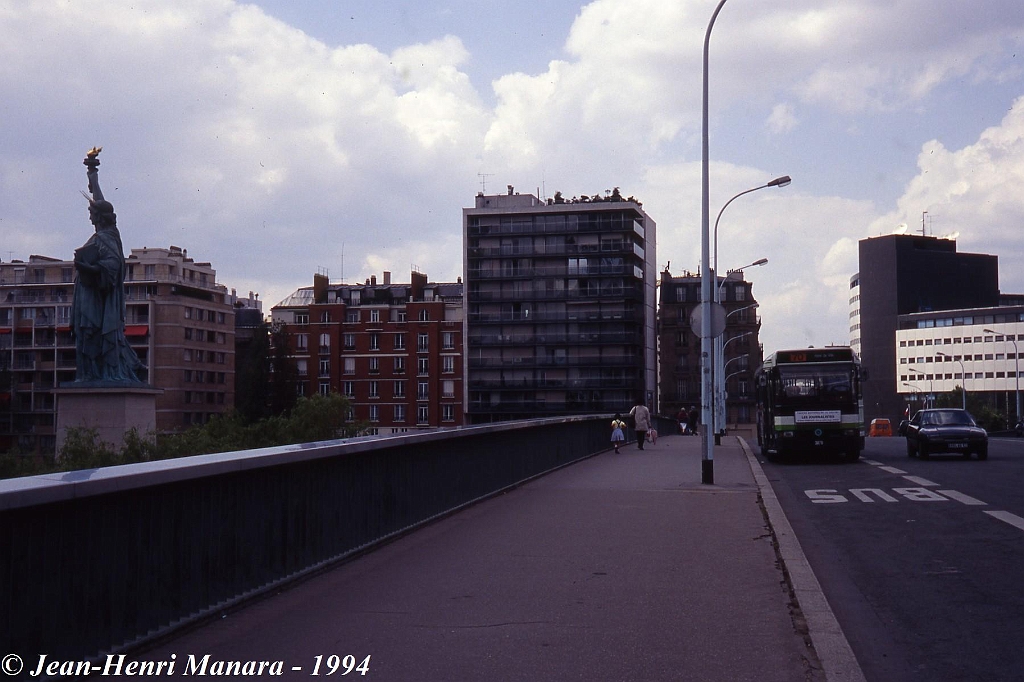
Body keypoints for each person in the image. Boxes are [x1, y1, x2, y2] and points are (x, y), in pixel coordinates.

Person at [71, 148, 145, 384]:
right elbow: (100, 199)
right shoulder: (105, 233)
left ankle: (97, 374)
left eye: (92, 214)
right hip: (87, 294)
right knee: (86, 335)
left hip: (95, 299)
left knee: (91, 335)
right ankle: (90, 374)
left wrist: (87, 268)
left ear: (100, 217)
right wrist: (92, 172)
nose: (90, 217)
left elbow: (111, 267)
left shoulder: (106, 237)